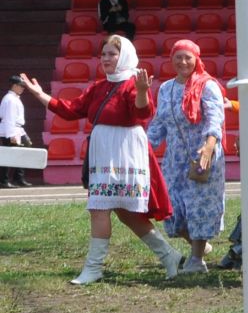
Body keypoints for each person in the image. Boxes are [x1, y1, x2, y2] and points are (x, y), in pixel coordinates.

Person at [17, 36, 182, 284]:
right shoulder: (98, 87)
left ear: (124, 56)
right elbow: (70, 109)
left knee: (101, 207)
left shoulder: (131, 84)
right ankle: (169, 255)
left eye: (111, 54)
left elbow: (142, 113)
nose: (105, 59)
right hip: (104, 152)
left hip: (125, 152)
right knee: (124, 212)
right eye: (103, 54)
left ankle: (94, 268)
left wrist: (141, 92)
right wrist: (40, 94)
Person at [149, 40, 227, 274]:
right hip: (174, 160)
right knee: (171, 209)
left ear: (196, 59)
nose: (183, 62)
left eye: (188, 57)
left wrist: (209, 147)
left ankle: (196, 260)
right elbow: (159, 123)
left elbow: (215, 118)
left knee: (198, 208)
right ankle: (199, 246)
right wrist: (142, 146)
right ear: (171, 59)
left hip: (201, 157)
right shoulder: (166, 88)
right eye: (178, 57)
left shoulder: (207, 86)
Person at [1, 76, 33, 187]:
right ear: (14, 86)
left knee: (23, 151)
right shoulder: (10, 99)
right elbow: (9, 118)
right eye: (21, 86)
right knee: (8, 156)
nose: (23, 88)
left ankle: (18, 178)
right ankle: (4, 180)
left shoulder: (14, 98)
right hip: (11, 130)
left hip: (17, 129)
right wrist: (12, 135)